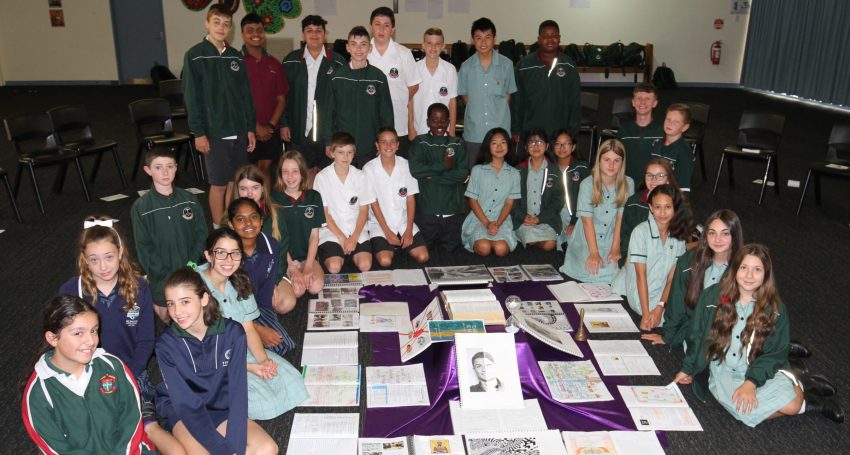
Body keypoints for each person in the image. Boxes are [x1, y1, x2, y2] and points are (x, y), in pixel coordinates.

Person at [675, 244, 844, 426]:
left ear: (766, 274)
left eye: (757, 270)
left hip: (756, 367)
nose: (749, 275)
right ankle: (808, 400)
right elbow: (696, 334)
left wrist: (751, 382)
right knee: (744, 413)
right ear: (734, 269)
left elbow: (774, 353)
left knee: (792, 406)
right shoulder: (712, 296)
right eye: (743, 268)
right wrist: (688, 368)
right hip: (723, 370)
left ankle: (802, 388)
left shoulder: (775, 309)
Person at [21, 295, 169, 454]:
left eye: (94, 331)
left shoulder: (113, 366)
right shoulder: (38, 392)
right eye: (78, 333)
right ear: (52, 338)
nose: (91, 341)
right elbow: (57, 448)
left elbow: (131, 420)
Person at [157, 267, 279, 454]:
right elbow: (185, 403)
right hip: (185, 413)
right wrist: (223, 450)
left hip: (221, 408)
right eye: (171, 304)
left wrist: (235, 446)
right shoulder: (165, 345)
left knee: (268, 449)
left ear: (204, 299)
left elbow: (238, 395)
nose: (177, 311)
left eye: (185, 302)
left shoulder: (233, 333)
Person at [196, 229, 308, 420]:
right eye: (221, 253)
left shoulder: (239, 280)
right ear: (208, 255)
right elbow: (205, 347)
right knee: (264, 403)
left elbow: (248, 328)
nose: (228, 259)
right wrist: (250, 367)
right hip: (210, 360)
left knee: (294, 382)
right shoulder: (195, 287)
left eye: (235, 253)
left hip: (239, 349)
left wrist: (263, 360)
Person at [58, 216, 155, 402]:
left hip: (130, 369)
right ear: (84, 259)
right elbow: (63, 343)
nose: (103, 267)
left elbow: (146, 340)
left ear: (120, 252)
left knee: (139, 416)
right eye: (94, 260)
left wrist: (129, 374)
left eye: (109, 257)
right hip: (86, 372)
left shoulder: (139, 288)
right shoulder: (71, 291)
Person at [183, 3, 256, 226]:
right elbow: (191, 98)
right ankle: (218, 229)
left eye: (226, 24)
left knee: (235, 183)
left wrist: (250, 128)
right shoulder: (195, 56)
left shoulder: (236, 57)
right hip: (214, 132)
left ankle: (232, 224)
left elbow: (245, 96)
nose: (221, 27)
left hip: (239, 131)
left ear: (230, 28)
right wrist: (198, 132)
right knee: (219, 185)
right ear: (207, 23)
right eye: (216, 22)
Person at [643, 209, 743, 349]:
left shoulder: (744, 269)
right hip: (693, 333)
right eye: (712, 233)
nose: (717, 239)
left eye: (725, 233)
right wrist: (668, 336)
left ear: (734, 235)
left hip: (727, 333)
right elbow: (676, 303)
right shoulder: (688, 261)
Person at [131, 146, 208, 322]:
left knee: (195, 316)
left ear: (176, 168)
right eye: (158, 167)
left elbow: (201, 234)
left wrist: (191, 263)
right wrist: (164, 275)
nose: (165, 172)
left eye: (170, 166)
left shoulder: (189, 199)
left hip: (191, 271)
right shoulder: (141, 207)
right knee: (168, 319)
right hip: (161, 279)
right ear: (148, 170)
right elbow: (144, 248)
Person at [612, 184, 690, 330]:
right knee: (676, 321)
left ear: (675, 207)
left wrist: (660, 306)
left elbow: (672, 277)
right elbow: (640, 276)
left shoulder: (679, 235)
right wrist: (646, 314)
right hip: (641, 293)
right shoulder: (640, 232)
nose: (662, 212)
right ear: (650, 208)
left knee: (692, 312)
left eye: (668, 207)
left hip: (664, 293)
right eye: (657, 207)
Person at [281, 15, 346, 182]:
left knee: (328, 177)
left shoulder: (338, 62)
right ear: (303, 34)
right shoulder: (291, 61)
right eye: (309, 31)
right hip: (299, 130)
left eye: (318, 30)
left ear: (325, 33)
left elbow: (341, 101)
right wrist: (284, 123)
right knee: (303, 176)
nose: (314, 35)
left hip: (327, 132)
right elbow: (283, 96)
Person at [227, 198, 296, 356]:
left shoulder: (271, 245)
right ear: (231, 224)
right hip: (226, 311)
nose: (248, 223)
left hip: (256, 306)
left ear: (261, 220)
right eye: (240, 219)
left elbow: (266, 290)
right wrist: (256, 329)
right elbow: (225, 302)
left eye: (253, 217)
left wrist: (266, 319)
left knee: (283, 345)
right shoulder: (227, 254)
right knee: (240, 347)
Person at [559, 139, 634, 283]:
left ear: (622, 162)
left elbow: (620, 218)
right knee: (590, 270)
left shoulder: (628, 183)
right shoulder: (587, 184)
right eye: (607, 160)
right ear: (599, 161)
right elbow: (587, 222)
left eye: (616, 160)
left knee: (616, 270)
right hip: (587, 236)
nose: (611, 165)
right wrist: (594, 253)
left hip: (612, 236)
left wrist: (615, 248)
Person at [321, 26, 394, 168]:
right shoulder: (337, 77)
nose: (358, 49)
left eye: (363, 44)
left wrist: (384, 143)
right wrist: (328, 142)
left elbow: (386, 114)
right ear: (347, 48)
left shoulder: (378, 77)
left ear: (370, 48)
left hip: (369, 147)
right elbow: (329, 113)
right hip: (342, 147)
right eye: (354, 44)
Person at [229, 165, 296, 314]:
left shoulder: (276, 213)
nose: (249, 193)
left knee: (286, 303)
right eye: (243, 188)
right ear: (237, 190)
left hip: (271, 271)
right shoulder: (229, 218)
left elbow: (282, 252)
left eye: (255, 187)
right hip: (242, 275)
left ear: (263, 189)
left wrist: (273, 282)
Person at [363, 127, 430, 266]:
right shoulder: (369, 169)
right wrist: (387, 232)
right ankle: (392, 246)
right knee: (385, 261)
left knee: (423, 257)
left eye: (392, 142)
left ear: (398, 145)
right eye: (383, 142)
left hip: (403, 221)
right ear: (377, 145)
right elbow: (373, 203)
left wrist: (409, 230)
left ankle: (402, 244)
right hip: (380, 224)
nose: (388, 145)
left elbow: (410, 199)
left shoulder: (406, 165)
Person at [409, 103, 468, 253]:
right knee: (426, 255)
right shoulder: (420, 142)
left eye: (443, 120)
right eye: (435, 120)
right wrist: (444, 165)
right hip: (427, 211)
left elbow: (461, 174)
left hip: (452, 209)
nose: (439, 124)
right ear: (428, 121)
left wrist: (431, 177)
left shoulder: (457, 143)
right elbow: (416, 170)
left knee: (451, 255)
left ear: (449, 121)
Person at [458, 17, 517, 167]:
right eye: (478, 38)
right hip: (474, 134)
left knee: (502, 175)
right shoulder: (465, 67)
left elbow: (507, 97)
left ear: (494, 39)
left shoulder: (506, 65)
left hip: (500, 136)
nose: (483, 42)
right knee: (474, 175)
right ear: (472, 40)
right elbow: (465, 98)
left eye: (487, 37)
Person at [314, 132, 376, 272]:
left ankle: (349, 253)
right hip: (332, 231)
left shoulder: (361, 176)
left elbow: (364, 210)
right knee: (334, 267)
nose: (345, 157)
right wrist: (342, 238)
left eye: (349, 152)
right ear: (332, 153)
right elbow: (324, 213)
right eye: (341, 152)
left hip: (356, 230)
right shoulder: (322, 177)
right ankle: (334, 254)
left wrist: (354, 238)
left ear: (354, 154)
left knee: (365, 265)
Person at [511, 20, 581, 143]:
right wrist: (515, 129)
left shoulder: (568, 65)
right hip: (530, 131)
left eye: (554, 36)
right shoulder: (524, 65)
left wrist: (573, 131)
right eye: (545, 36)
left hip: (561, 132)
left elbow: (575, 100)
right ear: (539, 39)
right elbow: (517, 100)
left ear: (559, 38)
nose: (550, 40)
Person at [271, 151, 326, 296]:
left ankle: (307, 267)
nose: (290, 176)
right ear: (280, 174)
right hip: (284, 257)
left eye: (295, 171)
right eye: (285, 172)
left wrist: (308, 265)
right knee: (298, 291)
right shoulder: (273, 198)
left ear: (302, 173)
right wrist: (291, 266)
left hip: (307, 256)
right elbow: (276, 237)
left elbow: (314, 236)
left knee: (316, 287)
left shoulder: (314, 197)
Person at [368, 6, 421, 156]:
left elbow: (414, 85)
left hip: (398, 122)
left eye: (386, 25)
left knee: (398, 165)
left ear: (393, 29)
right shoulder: (363, 52)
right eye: (377, 24)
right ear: (371, 27)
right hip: (369, 122)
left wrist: (396, 100)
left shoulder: (403, 53)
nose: (381, 29)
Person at [461, 127, 521, 256]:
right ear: (488, 146)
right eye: (494, 143)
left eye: (503, 142)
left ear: (508, 145)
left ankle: (495, 240)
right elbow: (472, 200)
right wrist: (487, 223)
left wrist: (497, 224)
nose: (499, 146)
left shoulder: (515, 174)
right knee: (484, 248)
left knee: (501, 249)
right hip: (479, 219)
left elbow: (509, 204)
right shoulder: (477, 170)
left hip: (502, 220)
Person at [240, 13, 288, 173]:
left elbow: (281, 100)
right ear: (242, 34)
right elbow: (235, 101)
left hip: (271, 130)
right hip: (245, 129)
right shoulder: (236, 63)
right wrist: (255, 127)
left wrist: (270, 126)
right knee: (248, 173)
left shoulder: (275, 63)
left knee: (265, 170)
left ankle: (265, 194)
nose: (256, 34)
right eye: (250, 30)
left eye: (259, 30)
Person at [511, 129, 564, 251]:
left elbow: (558, 200)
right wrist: (523, 216)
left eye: (540, 142)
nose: (536, 146)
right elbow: (511, 200)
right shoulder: (517, 171)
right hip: (524, 220)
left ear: (547, 146)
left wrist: (540, 218)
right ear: (526, 147)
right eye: (531, 142)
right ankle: (531, 239)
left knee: (550, 244)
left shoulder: (554, 171)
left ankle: (534, 241)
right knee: (530, 237)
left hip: (546, 220)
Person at [619, 158, 678, 264]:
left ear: (668, 179)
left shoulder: (678, 203)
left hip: (667, 260)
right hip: (636, 259)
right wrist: (626, 260)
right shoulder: (633, 203)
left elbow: (680, 240)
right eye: (649, 175)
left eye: (660, 175)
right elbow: (626, 235)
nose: (654, 180)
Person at [411, 28, 458, 139]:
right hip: (420, 129)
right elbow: (410, 100)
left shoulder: (450, 70)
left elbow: (452, 101)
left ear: (443, 46)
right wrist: (411, 128)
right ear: (423, 45)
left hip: (444, 131)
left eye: (437, 44)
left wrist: (452, 130)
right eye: (429, 43)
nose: (433, 47)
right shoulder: (414, 68)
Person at [618, 82, 664, 183]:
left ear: (655, 103)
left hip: (654, 184)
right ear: (633, 102)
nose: (643, 102)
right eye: (639, 98)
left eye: (648, 99)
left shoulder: (662, 131)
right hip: (628, 183)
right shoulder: (624, 130)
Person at [552, 129, 590, 250]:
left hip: (578, 214)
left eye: (566, 143)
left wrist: (574, 221)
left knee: (573, 242)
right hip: (558, 215)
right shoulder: (550, 169)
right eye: (558, 144)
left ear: (573, 147)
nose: (562, 147)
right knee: (552, 241)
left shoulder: (582, 167)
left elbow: (588, 199)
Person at [651, 104, 694, 192]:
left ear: (685, 127)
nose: (670, 123)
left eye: (676, 122)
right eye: (668, 119)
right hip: (652, 189)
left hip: (670, 195)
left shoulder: (685, 153)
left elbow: (683, 189)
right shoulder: (655, 143)